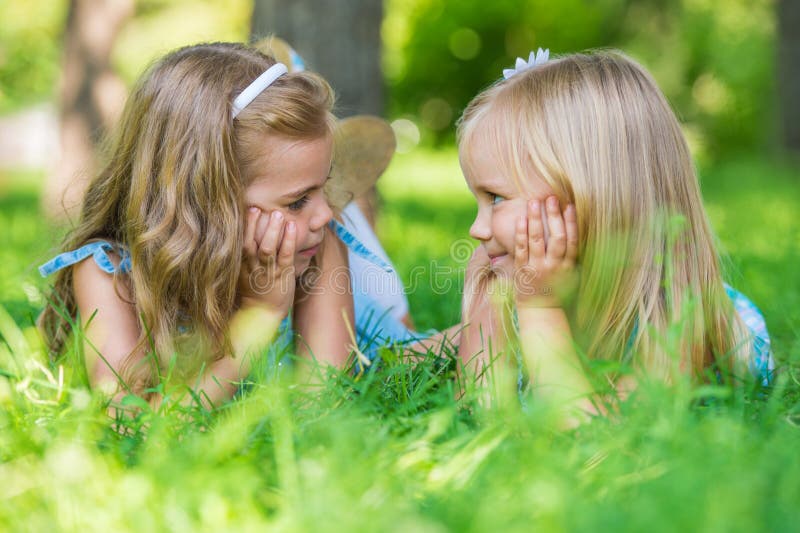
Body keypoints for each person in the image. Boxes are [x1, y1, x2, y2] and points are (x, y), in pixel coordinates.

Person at [36, 42, 400, 410]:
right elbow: (131, 421)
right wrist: (260, 318)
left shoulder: (317, 246)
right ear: (204, 203)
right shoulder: (109, 273)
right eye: (297, 201)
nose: (326, 214)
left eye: (325, 185)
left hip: (371, 335)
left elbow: (323, 399)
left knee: (406, 354)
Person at [456, 49, 774, 419]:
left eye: (496, 198)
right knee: (434, 343)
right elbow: (480, 412)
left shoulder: (673, 311)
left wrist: (541, 309)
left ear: (590, 194)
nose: (476, 230)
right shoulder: (496, 271)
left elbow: (595, 440)